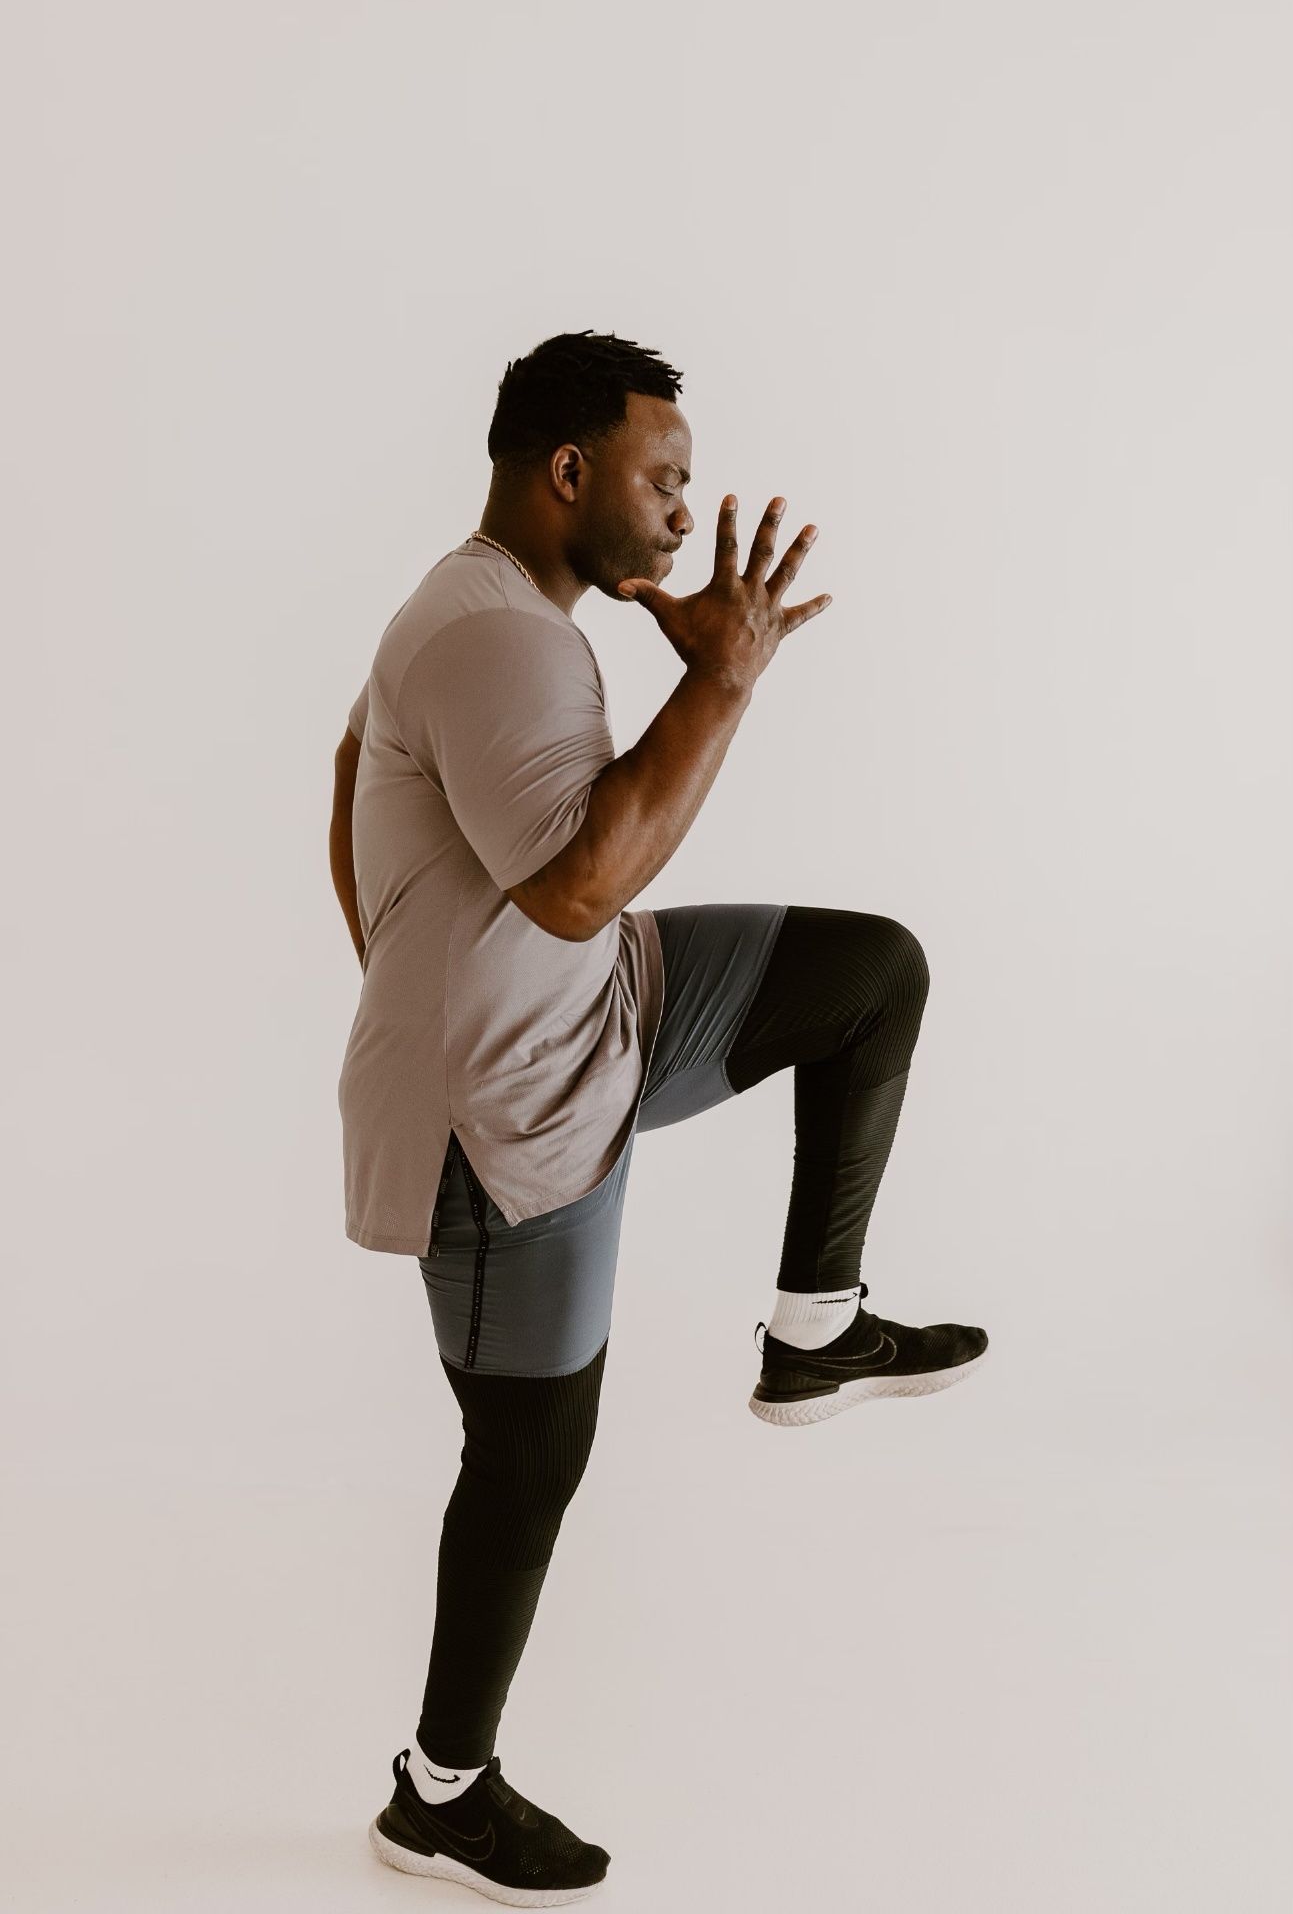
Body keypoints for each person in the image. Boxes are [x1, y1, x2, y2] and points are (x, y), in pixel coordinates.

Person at [329, 329, 988, 1905]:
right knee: (527, 1461)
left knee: (864, 975)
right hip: (504, 1126)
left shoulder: (502, 611)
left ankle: (811, 1326)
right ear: (568, 473)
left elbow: (351, 767)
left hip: (607, 1008)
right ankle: (442, 1792)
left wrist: (415, 947)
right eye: (663, 477)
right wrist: (721, 675)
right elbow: (572, 882)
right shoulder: (495, 637)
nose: (689, 510)